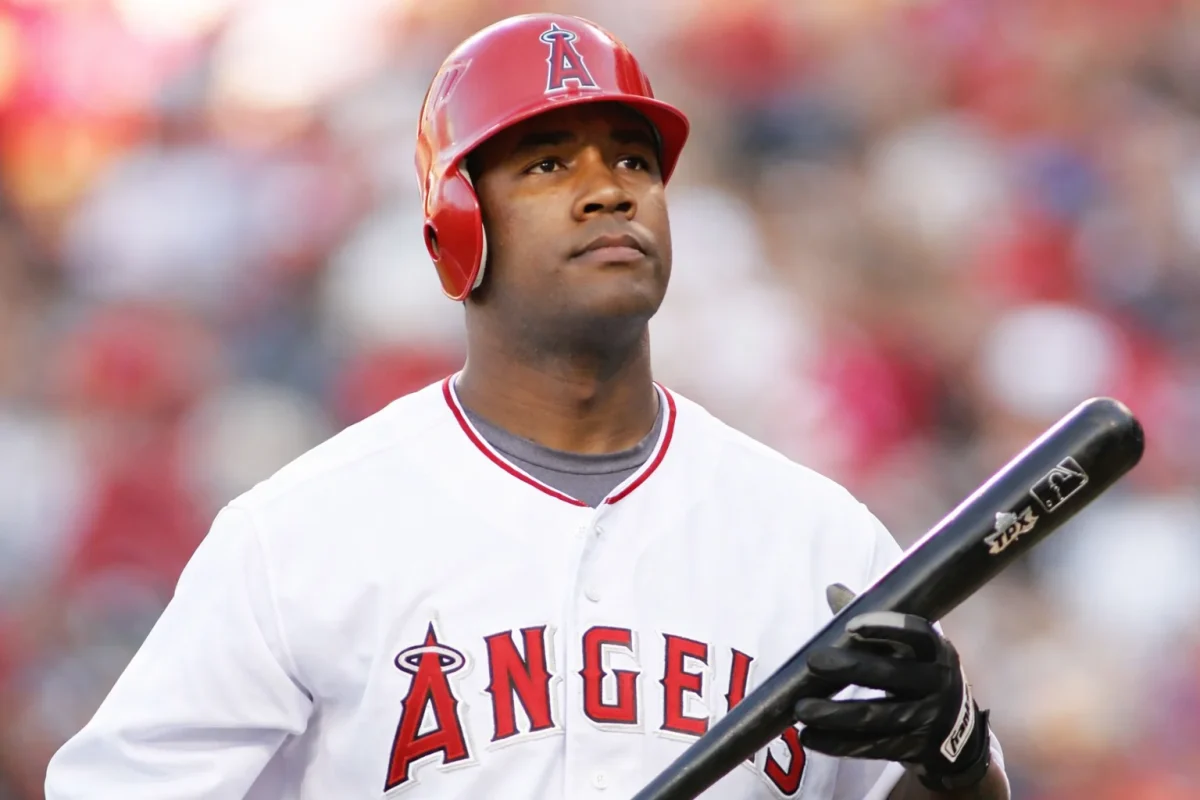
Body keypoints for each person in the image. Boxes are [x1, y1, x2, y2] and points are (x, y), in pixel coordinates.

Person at [44, 13, 1011, 800]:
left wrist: (954, 753)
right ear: (456, 229)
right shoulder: (298, 536)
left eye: (633, 161)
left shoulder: (818, 538)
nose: (608, 192)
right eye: (548, 164)